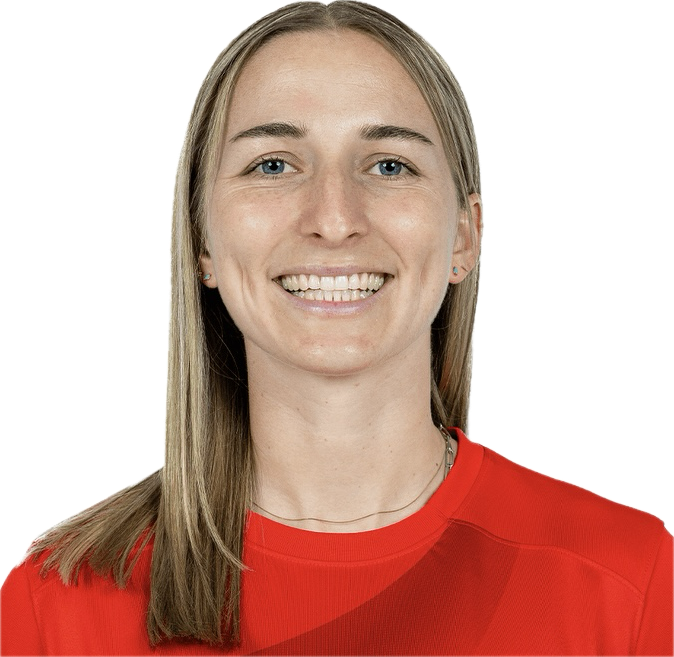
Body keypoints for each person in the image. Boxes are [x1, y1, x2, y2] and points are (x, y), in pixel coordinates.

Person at [1, 1, 672, 654]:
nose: (334, 218)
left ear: (466, 234)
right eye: (273, 164)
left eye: (389, 165)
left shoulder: (631, 581)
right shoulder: (58, 605)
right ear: (202, 239)